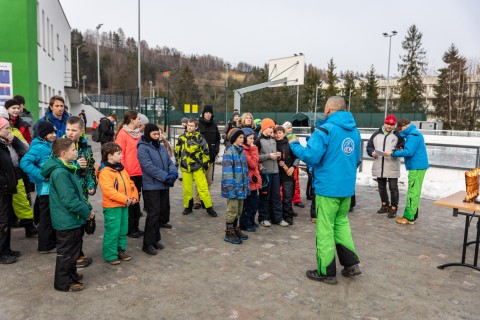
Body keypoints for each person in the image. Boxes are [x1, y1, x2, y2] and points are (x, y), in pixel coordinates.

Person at [290, 96, 362, 285]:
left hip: (328, 188)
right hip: (346, 188)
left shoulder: (325, 130)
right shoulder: (354, 131)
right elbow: (356, 160)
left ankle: (326, 271)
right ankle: (351, 265)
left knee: (325, 229)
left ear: (329, 109)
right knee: (341, 224)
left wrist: (293, 143)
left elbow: (311, 156)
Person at [41, 138, 94, 292]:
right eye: (73, 150)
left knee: (73, 251)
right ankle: (63, 283)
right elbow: (70, 200)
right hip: (67, 220)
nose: (76, 152)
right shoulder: (60, 173)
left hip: (72, 219)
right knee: (66, 253)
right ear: (63, 153)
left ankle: (72, 275)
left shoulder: (67, 167)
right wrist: (86, 213)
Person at [138, 124, 177, 255]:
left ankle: (155, 239)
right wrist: (166, 177)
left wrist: (173, 173)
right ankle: (147, 243)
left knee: (160, 212)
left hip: (163, 185)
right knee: (153, 214)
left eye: (158, 134)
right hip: (151, 186)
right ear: (148, 134)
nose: (157, 136)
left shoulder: (160, 147)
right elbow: (148, 167)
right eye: (154, 134)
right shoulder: (142, 148)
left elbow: (169, 162)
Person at [97, 142, 138, 265]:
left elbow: (130, 183)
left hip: (124, 205)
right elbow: (109, 191)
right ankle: (110, 254)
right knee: (113, 231)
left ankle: (120, 250)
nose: (122, 156)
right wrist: (125, 199)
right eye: (118, 153)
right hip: (112, 207)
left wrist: (134, 196)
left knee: (122, 229)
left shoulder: (121, 168)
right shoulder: (105, 172)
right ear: (109, 156)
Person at [20, 121, 57, 254]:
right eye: (50, 133)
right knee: (45, 218)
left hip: (52, 189)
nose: (54, 135)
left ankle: (51, 241)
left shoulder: (49, 145)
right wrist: (41, 175)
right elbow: (24, 162)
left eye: (54, 132)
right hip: (45, 189)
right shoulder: (38, 148)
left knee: (50, 216)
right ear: (43, 135)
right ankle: (45, 246)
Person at [65, 116, 97, 268]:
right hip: (69, 191)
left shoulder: (86, 147)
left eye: (73, 130)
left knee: (80, 223)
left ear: (82, 131)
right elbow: (56, 166)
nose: (70, 133)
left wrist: (91, 185)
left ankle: (78, 252)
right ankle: (73, 256)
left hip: (82, 192)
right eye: (68, 129)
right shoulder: (60, 145)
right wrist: (76, 165)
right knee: (71, 224)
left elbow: (90, 169)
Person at [385, 118, 429, 225]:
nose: (399, 132)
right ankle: (412, 214)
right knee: (415, 192)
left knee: (412, 193)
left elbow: (408, 152)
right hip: (418, 166)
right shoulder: (414, 134)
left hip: (416, 167)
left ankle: (408, 217)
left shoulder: (413, 136)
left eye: (400, 130)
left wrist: (393, 153)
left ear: (405, 127)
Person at [175, 118, 217, 217]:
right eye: (188, 125)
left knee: (203, 187)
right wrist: (178, 163)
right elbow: (177, 152)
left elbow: (206, 152)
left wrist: (204, 165)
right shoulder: (182, 138)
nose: (189, 127)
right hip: (186, 168)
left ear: (196, 127)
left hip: (197, 167)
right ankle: (188, 207)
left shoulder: (200, 138)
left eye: (192, 126)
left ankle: (209, 207)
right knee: (187, 189)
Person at [366, 114, 404, 218]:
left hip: (392, 166)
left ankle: (394, 207)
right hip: (379, 165)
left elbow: (402, 148)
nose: (389, 126)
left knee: (393, 188)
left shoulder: (398, 135)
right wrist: (372, 152)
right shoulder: (376, 134)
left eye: (392, 124)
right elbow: (369, 146)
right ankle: (385, 205)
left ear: (394, 125)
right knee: (381, 187)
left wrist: (394, 151)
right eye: (388, 123)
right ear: (384, 122)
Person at [255, 118, 289, 227]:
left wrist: (278, 155)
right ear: (265, 127)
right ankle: (263, 218)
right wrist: (269, 156)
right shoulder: (258, 141)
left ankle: (277, 218)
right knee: (265, 196)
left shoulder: (273, 139)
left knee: (276, 196)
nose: (272, 130)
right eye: (270, 127)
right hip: (265, 173)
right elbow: (255, 157)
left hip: (276, 172)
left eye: (273, 127)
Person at [115, 110, 144, 237]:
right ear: (132, 119)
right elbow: (119, 155)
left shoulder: (139, 134)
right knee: (130, 201)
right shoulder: (122, 134)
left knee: (136, 200)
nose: (140, 121)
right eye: (138, 118)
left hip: (139, 172)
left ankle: (135, 227)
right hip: (129, 173)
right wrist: (124, 172)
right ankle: (130, 228)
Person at [222, 128, 250, 244]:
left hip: (241, 188)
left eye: (243, 137)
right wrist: (230, 189)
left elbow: (245, 171)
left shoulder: (241, 152)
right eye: (240, 137)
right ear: (234, 139)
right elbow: (228, 174)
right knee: (232, 210)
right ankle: (229, 232)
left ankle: (235, 228)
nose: (242, 139)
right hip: (233, 188)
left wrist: (246, 186)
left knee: (239, 210)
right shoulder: (229, 153)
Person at [0, 117, 20, 264]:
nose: (8, 131)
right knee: (2, 222)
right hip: (2, 189)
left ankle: (6, 249)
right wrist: (4, 182)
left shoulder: (4, 145)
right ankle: (2, 253)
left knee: (6, 220)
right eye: (6, 128)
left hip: (7, 189)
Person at [194, 105, 220, 210]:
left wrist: (216, 151)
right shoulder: (198, 125)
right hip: (200, 158)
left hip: (211, 157)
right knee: (200, 180)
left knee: (208, 180)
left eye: (210, 112)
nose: (208, 114)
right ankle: (197, 200)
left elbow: (218, 139)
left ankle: (206, 199)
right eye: (206, 112)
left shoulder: (214, 125)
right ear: (203, 113)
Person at [274, 125, 299, 225]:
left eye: (280, 133)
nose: (277, 135)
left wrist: (293, 167)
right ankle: (276, 216)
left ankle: (288, 216)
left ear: (284, 134)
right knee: (275, 196)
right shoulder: (272, 143)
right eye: (275, 133)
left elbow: (297, 157)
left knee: (287, 196)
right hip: (276, 173)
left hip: (288, 174)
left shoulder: (289, 144)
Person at [239, 128, 262, 232]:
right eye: (250, 138)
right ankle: (245, 223)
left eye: (253, 138)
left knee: (255, 203)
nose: (253, 140)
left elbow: (255, 163)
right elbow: (252, 163)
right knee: (248, 205)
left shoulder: (250, 149)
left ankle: (251, 221)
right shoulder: (244, 150)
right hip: (249, 182)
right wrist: (254, 149)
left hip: (254, 181)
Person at [283, 121, 304, 209]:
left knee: (296, 182)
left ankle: (297, 199)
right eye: (288, 128)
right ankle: (285, 201)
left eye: (291, 127)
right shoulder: (283, 138)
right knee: (286, 184)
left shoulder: (294, 137)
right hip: (286, 164)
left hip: (294, 164)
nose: (290, 129)